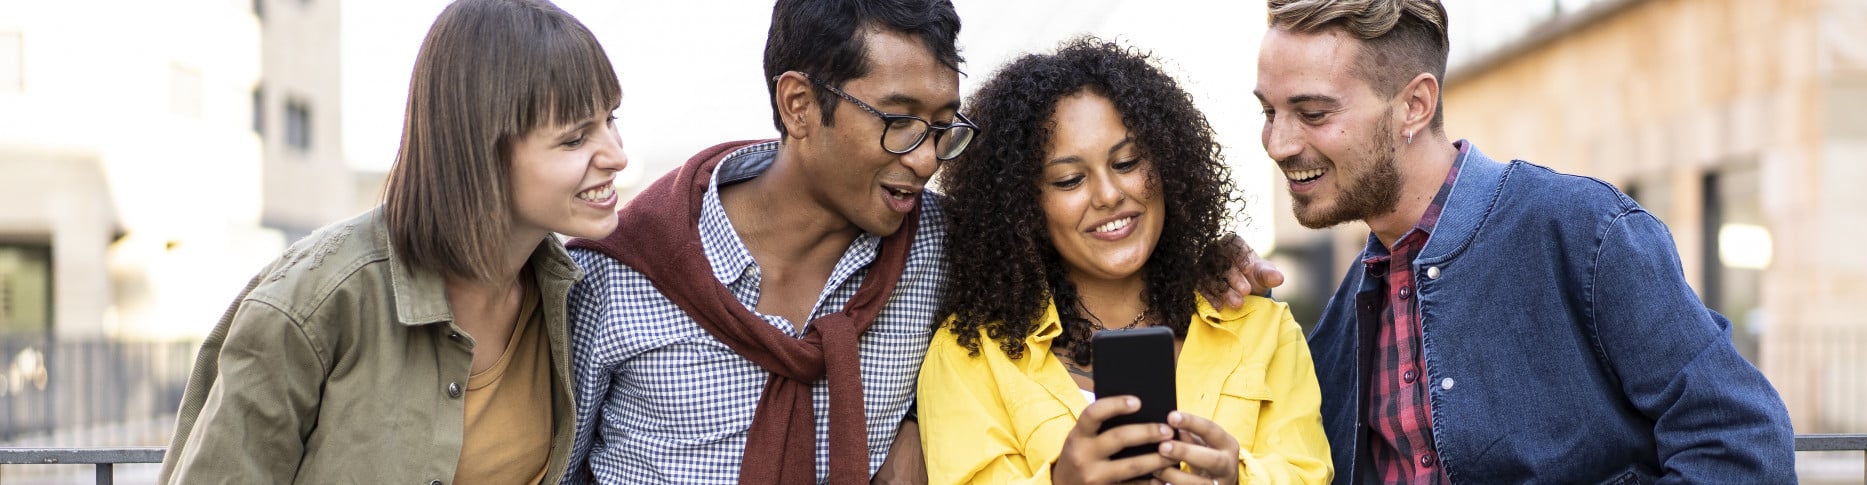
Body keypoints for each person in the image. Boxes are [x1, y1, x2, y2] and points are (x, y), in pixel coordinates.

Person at [562, 1, 1285, 483]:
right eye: (900, 120)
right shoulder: (611, 278)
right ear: (799, 104)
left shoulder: (943, 252)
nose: (926, 157)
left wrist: (1207, 254)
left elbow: (1093, 240)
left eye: (943, 124)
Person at [1253, 0, 1797, 483]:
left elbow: (1744, 448)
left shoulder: (1586, 233)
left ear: (1415, 105)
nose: (1278, 143)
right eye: (1269, 111)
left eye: (1313, 113)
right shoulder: (1347, 310)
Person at [156, 0, 628, 483]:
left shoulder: (577, 295)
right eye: (574, 139)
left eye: (611, 119)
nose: (618, 156)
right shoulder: (315, 301)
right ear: (481, 149)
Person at [916, 38, 1333, 485]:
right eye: (1070, 179)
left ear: (1169, 164)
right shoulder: (971, 357)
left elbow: (1308, 472)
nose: (1110, 195)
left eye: (1127, 161)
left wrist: (1238, 479)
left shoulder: (1264, 332)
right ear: (1023, 206)